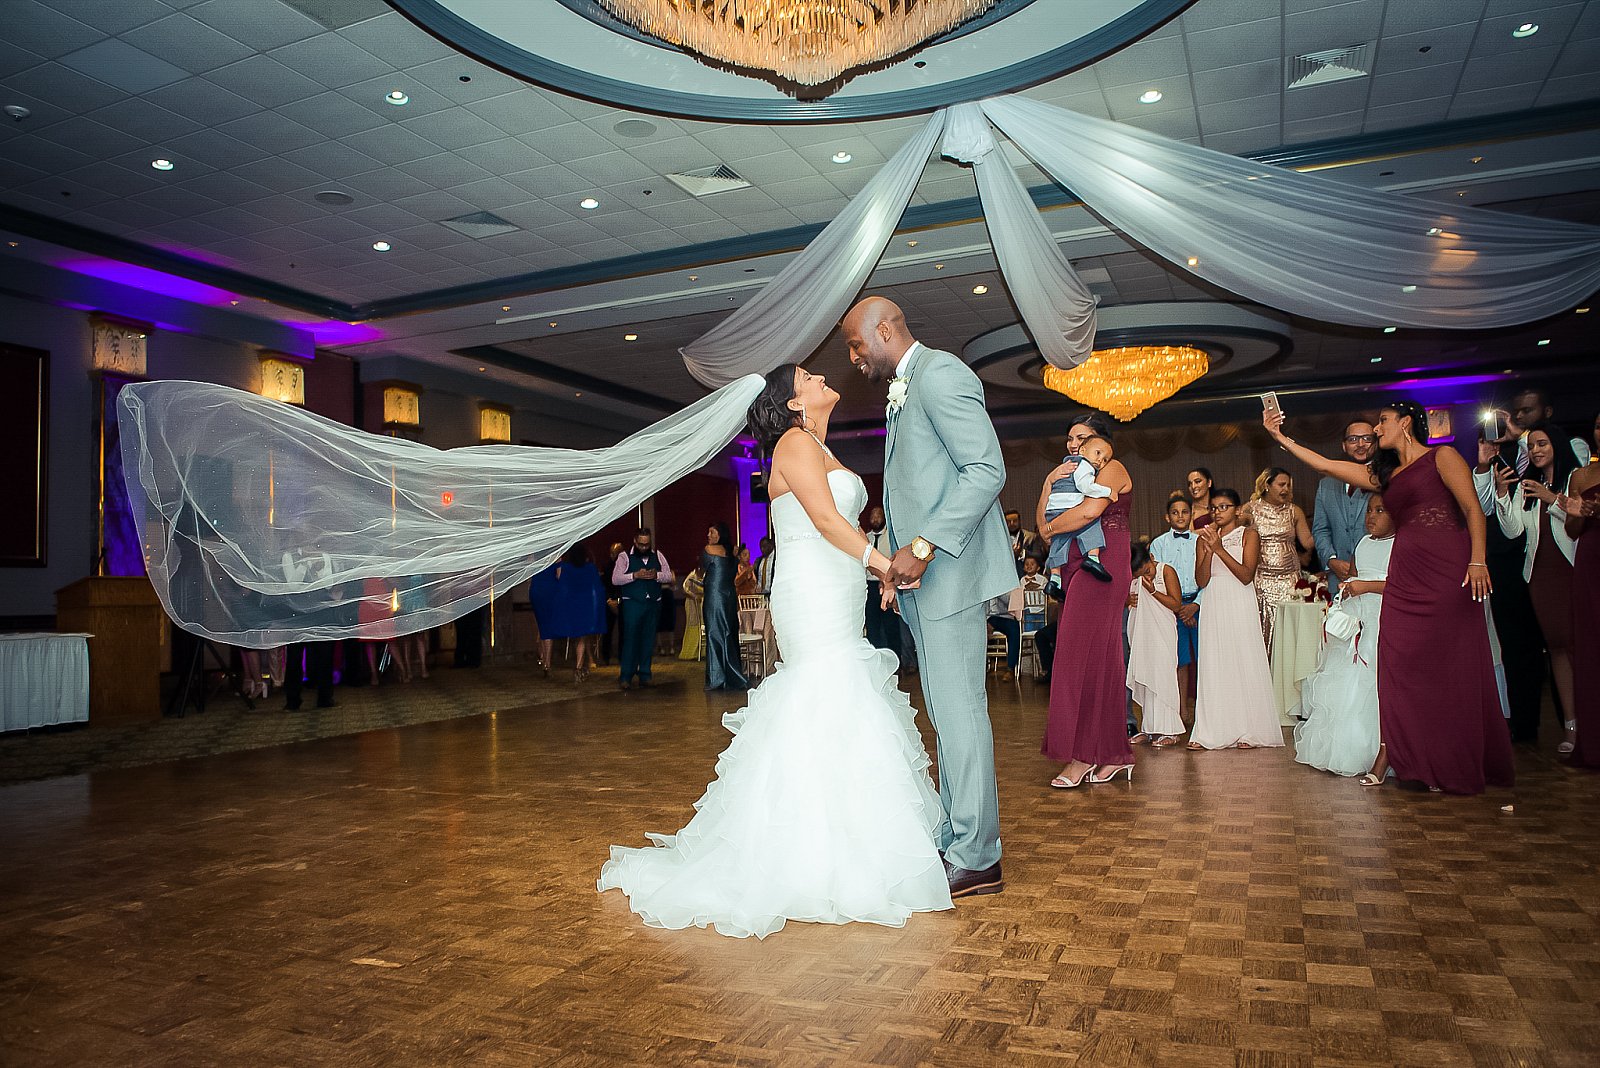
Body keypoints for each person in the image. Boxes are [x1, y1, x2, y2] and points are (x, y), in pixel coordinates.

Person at [598, 363, 952, 937]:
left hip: (837, 585)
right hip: (811, 591)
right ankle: (804, 852)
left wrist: (875, 574)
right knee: (824, 689)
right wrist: (886, 564)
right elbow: (824, 519)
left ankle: (849, 841)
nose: (822, 376)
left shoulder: (818, 445)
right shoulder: (793, 443)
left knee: (843, 695)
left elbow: (838, 527)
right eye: (810, 376)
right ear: (792, 402)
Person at [846, 295, 1017, 898]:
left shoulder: (941, 372)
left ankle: (978, 855)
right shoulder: (905, 388)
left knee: (960, 713)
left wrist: (922, 546)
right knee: (946, 713)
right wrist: (896, 567)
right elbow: (911, 490)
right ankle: (956, 836)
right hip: (924, 579)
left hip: (952, 574)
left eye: (856, 345)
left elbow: (986, 469)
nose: (854, 357)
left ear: (884, 330)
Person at [1265, 399, 1513, 795]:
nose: (1377, 430)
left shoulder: (1442, 457)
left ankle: (1449, 760)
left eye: (1382, 421)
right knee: (1397, 661)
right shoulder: (1387, 474)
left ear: (1406, 423)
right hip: (1406, 573)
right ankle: (1412, 758)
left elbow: (1472, 509)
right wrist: (1280, 436)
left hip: (1447, 568)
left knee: (1448, 663)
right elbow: (1325, 465)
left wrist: (1478, 560)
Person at [1038, 412, 1136, 788]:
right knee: (1103, 660)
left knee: (1074, 657)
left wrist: (1051, 527)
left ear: (1101, 442)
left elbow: (1090, 511)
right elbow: (1044, 518)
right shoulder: (1067, 475)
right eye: (1069, 439)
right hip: (1073, 561)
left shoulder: (1112, 468)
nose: (1073, 445)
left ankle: (1082, 756)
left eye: (1081, 437)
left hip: (1103, 563)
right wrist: (1048, 482)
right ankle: (1112, 753)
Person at [1491, 421, 1582, 753]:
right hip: (1539, 576)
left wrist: (1552, 499)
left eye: (1542, 444)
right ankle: (1571, 728)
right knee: (1556, 648)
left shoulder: (1575, 478)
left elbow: (1579, 522)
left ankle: (1590, 724)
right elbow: (1513, 530)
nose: (1536, 451)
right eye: (1531, 446)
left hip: (1573, 571)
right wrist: (1503, 494)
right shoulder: (1528, 484)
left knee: (1580, 647)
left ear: (1557, 444)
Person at [1294, 494, 1394, 777]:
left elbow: (1401, 584)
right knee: (1349, 680)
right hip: (1359, 617)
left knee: (1375, 681)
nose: (1371, 516)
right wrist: (1349, 587)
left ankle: (1382, 749)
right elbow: (1355, 576)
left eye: (1380, 510)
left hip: (1385, 618)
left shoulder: (1399, 545)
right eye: (1369, 510)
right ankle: (1347, 748)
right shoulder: (1363, 543)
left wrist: (1365, 586)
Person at [1188, 489, 1284, 751]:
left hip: (1239, 600)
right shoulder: (1203, 539)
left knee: (1242, 659)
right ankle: (1211, 730)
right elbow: (1201, 580)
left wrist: (1220, 549)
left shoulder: (1248, 535)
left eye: (1224, 507)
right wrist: (1209, 550)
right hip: (1214, 602)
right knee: (1215, 662)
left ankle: (1249, 729)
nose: (1218, 512)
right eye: (1214, 508)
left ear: (1237, 510)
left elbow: (1245, 575)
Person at [1242, 467, 1313, 650]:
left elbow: (1307, 542)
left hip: (1290, 580)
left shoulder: (1294, 511)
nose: (1286, 489)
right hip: (1262, 581)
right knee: (1265, 633)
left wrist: (1325, 528)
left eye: (1288, 485)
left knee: (1291, 633)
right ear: (1267, 485)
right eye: (1281, 485)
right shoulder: (1250, 510)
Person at [1126, 543, 1184, 746]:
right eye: (1139, 575)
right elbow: (1126, 600)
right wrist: (1128, 601)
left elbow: (1176, 604)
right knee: (1147, 676)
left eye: (1148, 571)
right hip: (1142, 633)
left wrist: (1152, 592)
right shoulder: (1133, 579)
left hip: (1162, 632)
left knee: (1163, 676)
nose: (1146, 577)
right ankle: (1149, 728)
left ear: (1151, 558)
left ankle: (1171, 730)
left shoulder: (1166, 571)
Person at [1564, 452, 1600, 767]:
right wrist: (1580, 514)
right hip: (1591, 561)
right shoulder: (1581, 476)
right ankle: (1593, 744)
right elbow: (1572, 530)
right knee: (1590, 649)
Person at [1149, 495, 1199, 719]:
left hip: (1199, 605)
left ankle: (1206, 711)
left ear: (1192, 515)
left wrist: (1195, 605)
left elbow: (1208, 576)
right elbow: (1157, 578)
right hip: (1170, 609)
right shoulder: (1158, 544)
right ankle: (1181, 710)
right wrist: (1179, 608)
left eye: (1185, 512)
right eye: (1175, 512)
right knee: (1180, 660)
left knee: (1205, 658)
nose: (1180, 516)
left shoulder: (1200, 541)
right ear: (1167, 517)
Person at [1040, 435, 1116, 582]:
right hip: (1069, 506)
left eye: (1105, 460)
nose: (1100, 460)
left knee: (1059, 541)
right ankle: (1093, 558)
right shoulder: (1084, 465)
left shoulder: (1067, 465)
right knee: (1091, 524)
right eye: (1098, 453)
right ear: (1083, 450)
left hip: (1053, 510)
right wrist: (1108, 492)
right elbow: (1085, 487)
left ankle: (1055, 578)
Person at [1313, 420, 1376, 593]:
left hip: (1377, 575)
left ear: (1376, 443)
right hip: (1338, 579)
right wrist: (1331, 560)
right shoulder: (1326, 485)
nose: (1360, 444)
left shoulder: (1385, 478)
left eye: (1367, 438)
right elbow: (1321, 529)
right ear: (1344, 445)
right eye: (1353, 439)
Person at [530, 545, 606, 683]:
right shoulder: (590, 568)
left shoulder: (565, 567)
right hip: (585, 605)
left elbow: (562, 583)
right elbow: (597, 588)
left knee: (546, 630)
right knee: (582, 638)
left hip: (570, 605)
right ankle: (578, 667)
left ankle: (545, 662)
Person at [612, 527, 674, 690]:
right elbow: (615, 579)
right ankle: (626, 676)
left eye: (647, 544)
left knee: (648, 639)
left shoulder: (658, 555)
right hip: (632, 603)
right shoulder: (624, 557)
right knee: (630, 639)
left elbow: (669, 575)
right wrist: (634, 575)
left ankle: (645, 674)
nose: (644, 547)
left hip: (653, 603)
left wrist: (657, 575)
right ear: (635, 541)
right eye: (641, 544)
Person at [701, 522, 748, 691]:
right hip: (729, 596)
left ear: (720, 534)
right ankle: (732, 674)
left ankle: (716, 677)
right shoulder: (732, 551)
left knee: (714, 632)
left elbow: (703, 570)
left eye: (712, 532)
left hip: (714, 596)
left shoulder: (708, 549)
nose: (709, 535)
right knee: (729, 632)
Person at [862, 505, 902, 662]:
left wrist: (888, 581)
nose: (875, 519)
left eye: (878, 515)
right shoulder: (865, 538)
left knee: (891, 625)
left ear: (884, 517)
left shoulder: (891, 537)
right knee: (872, 625)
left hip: (888, 585)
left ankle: (895, 662)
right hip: (869, 586)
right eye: (872, 516)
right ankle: (876, 661)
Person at [677, 565, 704, 661]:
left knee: (702, 624)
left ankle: (701, 651)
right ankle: (690, 652)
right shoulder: (692, 576)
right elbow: (685, 590)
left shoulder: (705, 576)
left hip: (702, 602)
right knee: (693, 624)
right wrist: (694, 596)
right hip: (692, 602)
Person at [1005, 509, 1043, 576]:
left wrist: (1022, 553)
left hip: (1027, 577)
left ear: (1019, 521)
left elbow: (1039, 555)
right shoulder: (1001, 539)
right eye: (1008, 521)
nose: (1012, 524)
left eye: (1015, 521)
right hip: (1006, 575)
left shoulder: (1031, 537)